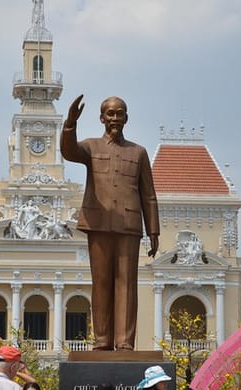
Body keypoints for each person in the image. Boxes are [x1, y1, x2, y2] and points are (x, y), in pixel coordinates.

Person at [61, 94, 160, 351]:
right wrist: (70, 124)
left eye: (120, 113)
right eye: (110, 113)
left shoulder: (138, 152)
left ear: (126, 118)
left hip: (128, 225)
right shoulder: (91, 147)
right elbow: (68, 151)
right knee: (101, 282)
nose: (115, 118)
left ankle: (125, 342)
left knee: (127, 284)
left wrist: (154, 230)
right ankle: (102, 340)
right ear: (102, 118)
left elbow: (148, 194)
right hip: (98, 223)